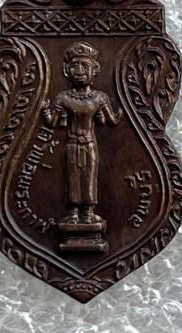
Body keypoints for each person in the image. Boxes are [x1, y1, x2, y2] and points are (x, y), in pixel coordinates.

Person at [42, 41, 123, 225]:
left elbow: (112, 121)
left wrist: (125, 108)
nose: (79, 71)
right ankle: (73, 213)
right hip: (71, 144)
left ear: (95, 69)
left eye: (85, 66)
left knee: (89, 177)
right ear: (66, 71)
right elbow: (52, 122)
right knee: (73, 177)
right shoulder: (63, 98)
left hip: (89, 143)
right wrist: (45, 110)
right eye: (75, 66)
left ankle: (87, 213)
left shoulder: (99, 98)